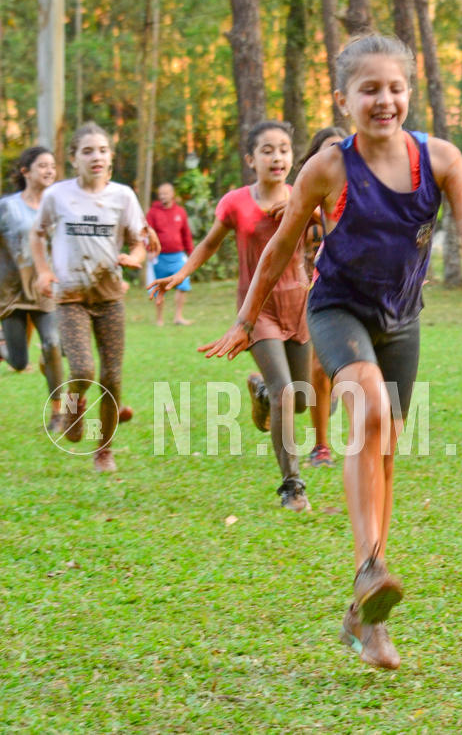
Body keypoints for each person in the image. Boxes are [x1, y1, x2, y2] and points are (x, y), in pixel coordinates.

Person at [198, 33, 462, 669]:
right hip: (337, 310)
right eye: (369, 89)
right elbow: (280, 248)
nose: (383, 99)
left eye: (395, 88)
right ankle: (370, 568)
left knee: (384, 450)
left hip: (402, 321)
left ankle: (366, 618)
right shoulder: (329, 167)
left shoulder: (441, 159)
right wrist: (244, 320)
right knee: (366, 410)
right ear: (344, 101)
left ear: (410, 94)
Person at [148, 120, 312, 511]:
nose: (277, 157)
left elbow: (339, 224)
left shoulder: (305, 195)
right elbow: (207, 245)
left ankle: (260, 393)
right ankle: (292, 486)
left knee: (301, 399)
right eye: (268, 150)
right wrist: (180, 274)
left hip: (299, 304)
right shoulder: (235, 202)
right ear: (250, 159)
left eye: (284, 149)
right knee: (286, 393)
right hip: (258, 310)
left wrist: (303, 207)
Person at [31, 121, 146, 472]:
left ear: (110, 158)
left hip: (109, 296)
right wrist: (43, 271)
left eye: (102, 150)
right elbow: (38, 234)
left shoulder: (123, 196)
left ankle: (104, 451)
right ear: (74, 159)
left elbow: (139, 239)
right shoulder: (57, 196)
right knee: (82, 368)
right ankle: (72, 399)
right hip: (70, 297)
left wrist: (134, 258)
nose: (96, 156)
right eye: (87, 151)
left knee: (111, 377)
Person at [0, 146, 63, 431]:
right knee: (17, 361)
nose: (49, 170)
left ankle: (58, 412)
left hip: (46, 291)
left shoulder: (60, 206)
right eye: (42, 166)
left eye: (52, 165)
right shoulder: (7, 206)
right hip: (11, 293)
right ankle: (5, 349)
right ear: (25, 171)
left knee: (51, 345)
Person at [298, 127, 347, 467]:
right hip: (315, 286)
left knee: (335, 373)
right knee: (316, 367)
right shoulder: (302, 197)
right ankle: (321, 446)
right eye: (327, 150)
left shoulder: (363, 194)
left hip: (360, 287)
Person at [146, 183, 194, 326]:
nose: (163, 196)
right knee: (160, 288)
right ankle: (159, 319)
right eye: (160, 194)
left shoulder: (180, 212)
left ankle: (178, 317)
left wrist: (191, 253)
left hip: (178, 256)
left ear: (172, 194)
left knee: (183, 285)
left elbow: (186, 234)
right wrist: (150, 249)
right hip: (160, 257)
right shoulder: (153, 213)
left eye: (165, 193)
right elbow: (147, 232)